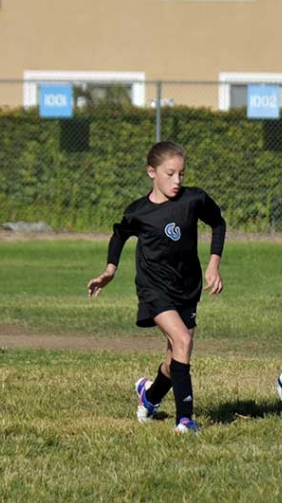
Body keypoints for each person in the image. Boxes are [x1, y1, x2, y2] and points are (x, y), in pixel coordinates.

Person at [87, 141, 226, 434]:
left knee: (174, 357)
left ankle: (149, 397)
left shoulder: (193, 200)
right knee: (183, 342)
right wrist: (110, 269)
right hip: (153, 288)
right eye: (170, 174)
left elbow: (218, 223)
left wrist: (214, 264)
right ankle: (185, 421)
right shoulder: (139, 212)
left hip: (187, 287)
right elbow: (119, 235)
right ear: (152, 172)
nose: (177, 181)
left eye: (181, 175)